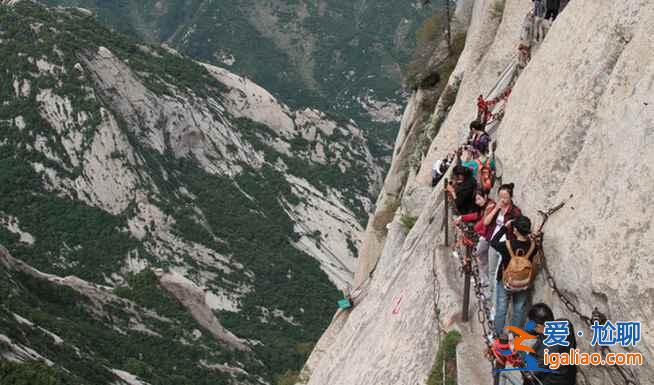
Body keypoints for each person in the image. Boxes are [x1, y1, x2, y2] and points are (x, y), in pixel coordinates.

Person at [490, 215, 535, 335]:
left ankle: (497, 336)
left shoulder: (507, 245)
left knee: (501, 309)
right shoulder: (533, 246)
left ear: (515, 230)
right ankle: (513, 337)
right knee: (519, 310)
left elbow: (493, 242)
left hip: (505, 281)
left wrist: (504, 228)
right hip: (523, 282)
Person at [483, 183, 521, 309]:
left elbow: (518, 230)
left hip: (506, 246)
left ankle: (495, 302)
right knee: (491, 269)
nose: (502, 200)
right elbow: (486, 222)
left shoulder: (515, 212)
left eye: (505, 197)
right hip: (494, 241)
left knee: (498, 275)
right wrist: (495, 209)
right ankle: (490, 293)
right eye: (500, 197)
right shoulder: (496, 207)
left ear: (511, 197)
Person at [523, 304, 577, 385]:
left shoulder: (545, 353)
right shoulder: (565, 325)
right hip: (568, 377)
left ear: (538, 326)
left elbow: (529, 374)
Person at [454, 189, 496, 285]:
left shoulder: (490, 206)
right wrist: (462, 217)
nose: (477, 202)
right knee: (480, 256)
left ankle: (485, 280)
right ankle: (484, 279)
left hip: (488, 236)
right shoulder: (486, 206)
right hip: (486, 235)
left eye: (479, 199)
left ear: (485, 196)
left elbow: (483, 221)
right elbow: (477, 216)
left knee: (478, 254)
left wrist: (475, 228)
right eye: (476, 200)